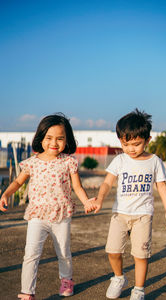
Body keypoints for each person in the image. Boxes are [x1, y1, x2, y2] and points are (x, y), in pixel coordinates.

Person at [0, 114, 97, 300]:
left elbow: (77, 186)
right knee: (31, 254)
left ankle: (67, 280)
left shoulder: (69, 162)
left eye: (60, 138)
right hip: (37, 214)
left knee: (63, 252)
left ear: (67, 139)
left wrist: (86, 202)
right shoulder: (32, 163)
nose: (54, 143)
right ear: (41, 138)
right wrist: (5, 194)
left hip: (61, 215)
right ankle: (27, 291)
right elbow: (17, 182)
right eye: (49, 138)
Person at [95, 109, 166, 300]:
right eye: (126, 144)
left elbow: (162, 186)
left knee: (141, 255)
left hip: (143, 215)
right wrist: (99, 199)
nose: (131, 149)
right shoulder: (120, 160)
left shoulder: (155, 161)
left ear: (148, 140)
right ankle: (118, 278)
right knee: (113, 251)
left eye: (136, 144)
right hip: (120, 214)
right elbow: (107, 182)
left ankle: (138, 290)